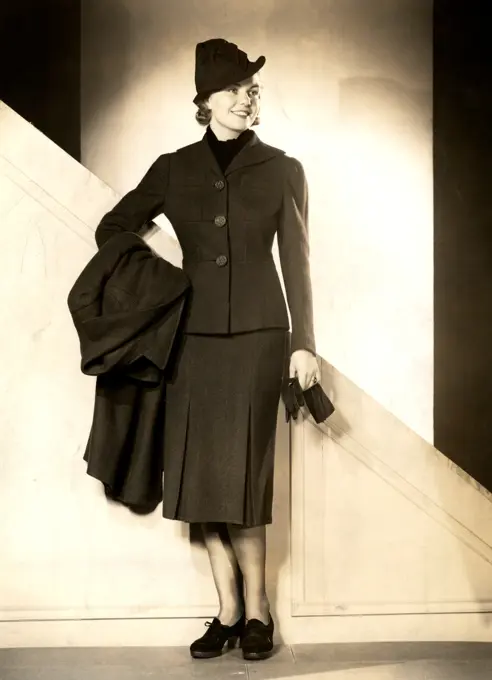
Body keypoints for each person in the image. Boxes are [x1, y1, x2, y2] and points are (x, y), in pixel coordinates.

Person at [94, 38, 320, 661]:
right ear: (206, 100)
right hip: (190, 342)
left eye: (253, 90)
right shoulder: (172, 168)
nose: (248, 100)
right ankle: (225, 609)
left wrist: (305, 343)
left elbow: (297, 266)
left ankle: (258, 613)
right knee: (198, 478)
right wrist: (166, 279)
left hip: (257, 339)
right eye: (236, 90)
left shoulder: (282, 168)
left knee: (244, 480)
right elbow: (113, 228)